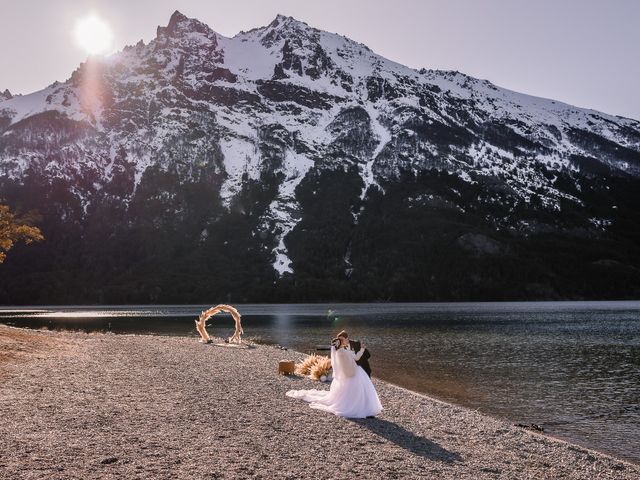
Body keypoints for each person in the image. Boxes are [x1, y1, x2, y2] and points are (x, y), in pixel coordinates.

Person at [286, 337, 382, 418]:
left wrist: (361, 350)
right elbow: (350, 361)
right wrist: (360, 352)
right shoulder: (341, 352)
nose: (346, 340)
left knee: (362, 390)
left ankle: (365, 408)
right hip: (352, 373)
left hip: (355, 371)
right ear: (340, 343)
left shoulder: (343, 350)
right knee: (358, 391)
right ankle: (359, 408)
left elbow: (355, 358)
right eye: (344, 339)